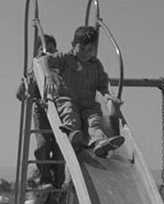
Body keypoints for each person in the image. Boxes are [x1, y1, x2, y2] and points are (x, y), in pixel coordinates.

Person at [45, 25, 125, 158]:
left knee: (94, 122)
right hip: (69, 100)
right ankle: (73, 135)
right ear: (73, 45)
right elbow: (44, 60)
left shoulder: (96, 65)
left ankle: (99, 143)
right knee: (70, 114)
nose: (85, 53)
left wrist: (109, 96)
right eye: (81, 48)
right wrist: (48, 76)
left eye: (90, 50)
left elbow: (103, 84)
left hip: (88, 105)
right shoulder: (66, 58)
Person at [16, 34, 64, 188]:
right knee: (43, 146)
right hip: (42, 114)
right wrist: (26, 90)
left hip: (59, 114)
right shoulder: (34, 72)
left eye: (51, 50)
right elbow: (19, 94)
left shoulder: (59, 70)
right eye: (43, 51)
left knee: (59, 150)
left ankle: (58, 182)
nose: (47, 54)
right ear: (36, 54)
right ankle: (45, 178)